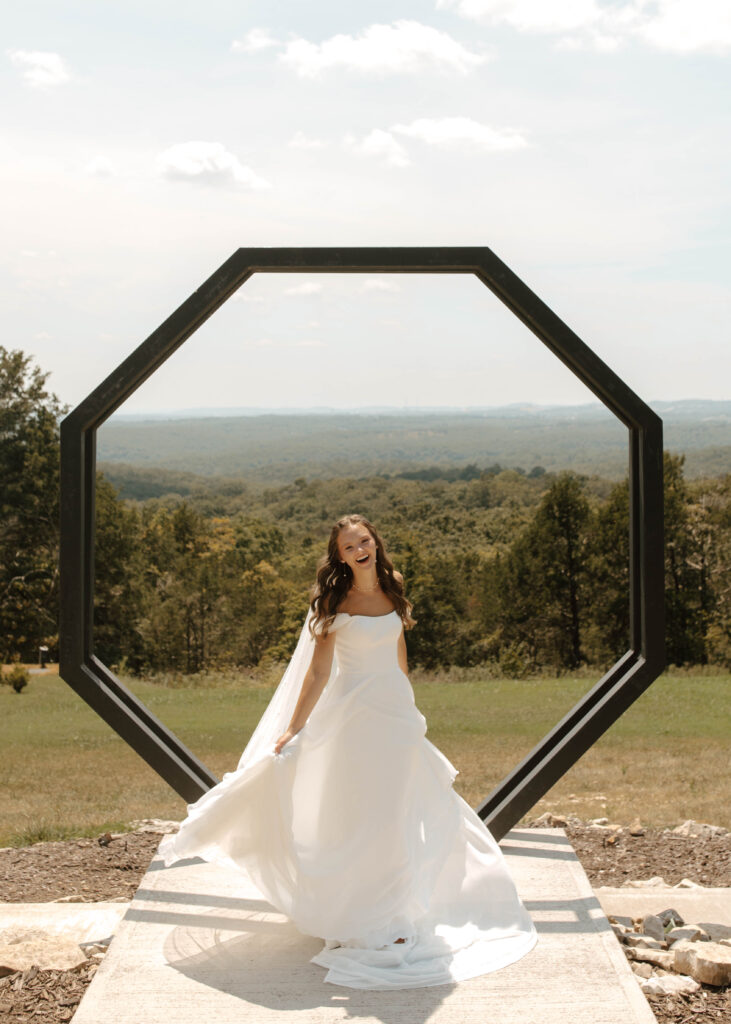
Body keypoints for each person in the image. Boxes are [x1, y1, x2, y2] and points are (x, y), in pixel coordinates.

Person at [160, 514, 536, 989]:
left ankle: (394, 914)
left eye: (365, 540)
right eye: (349, 545)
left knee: (395, 814)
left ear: (375, 544)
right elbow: (317, 674)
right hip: (351, 719)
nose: (360, 549)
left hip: (394, 718)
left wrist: (410, 709)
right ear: (338, 555)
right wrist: (294, 727)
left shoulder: (394, 587)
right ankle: (358, 912)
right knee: (359, 815)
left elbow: (399, 657)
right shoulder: (333, 602)